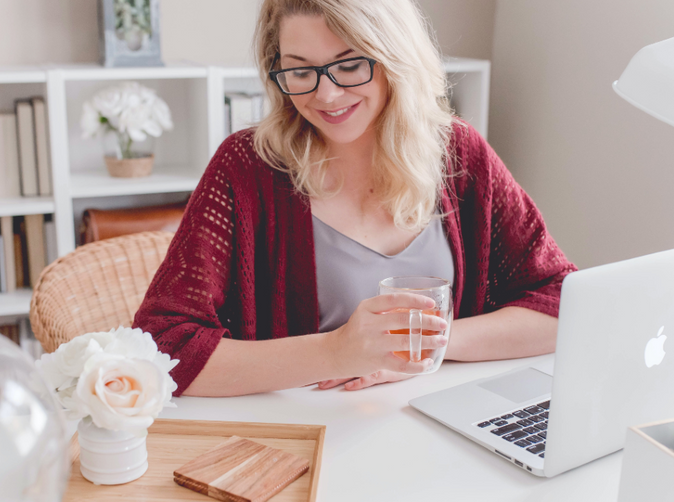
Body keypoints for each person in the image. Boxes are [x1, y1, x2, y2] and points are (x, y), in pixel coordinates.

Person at [134, 0, 577, 397]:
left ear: (394, 57)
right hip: (302, 439)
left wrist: (422, 347)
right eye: (301, 70)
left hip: (436, 425)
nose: (325, 95)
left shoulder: (459, 153)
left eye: (349, 65)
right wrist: (336, 352)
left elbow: (564, 302)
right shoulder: (247, 166)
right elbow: (160, 344)